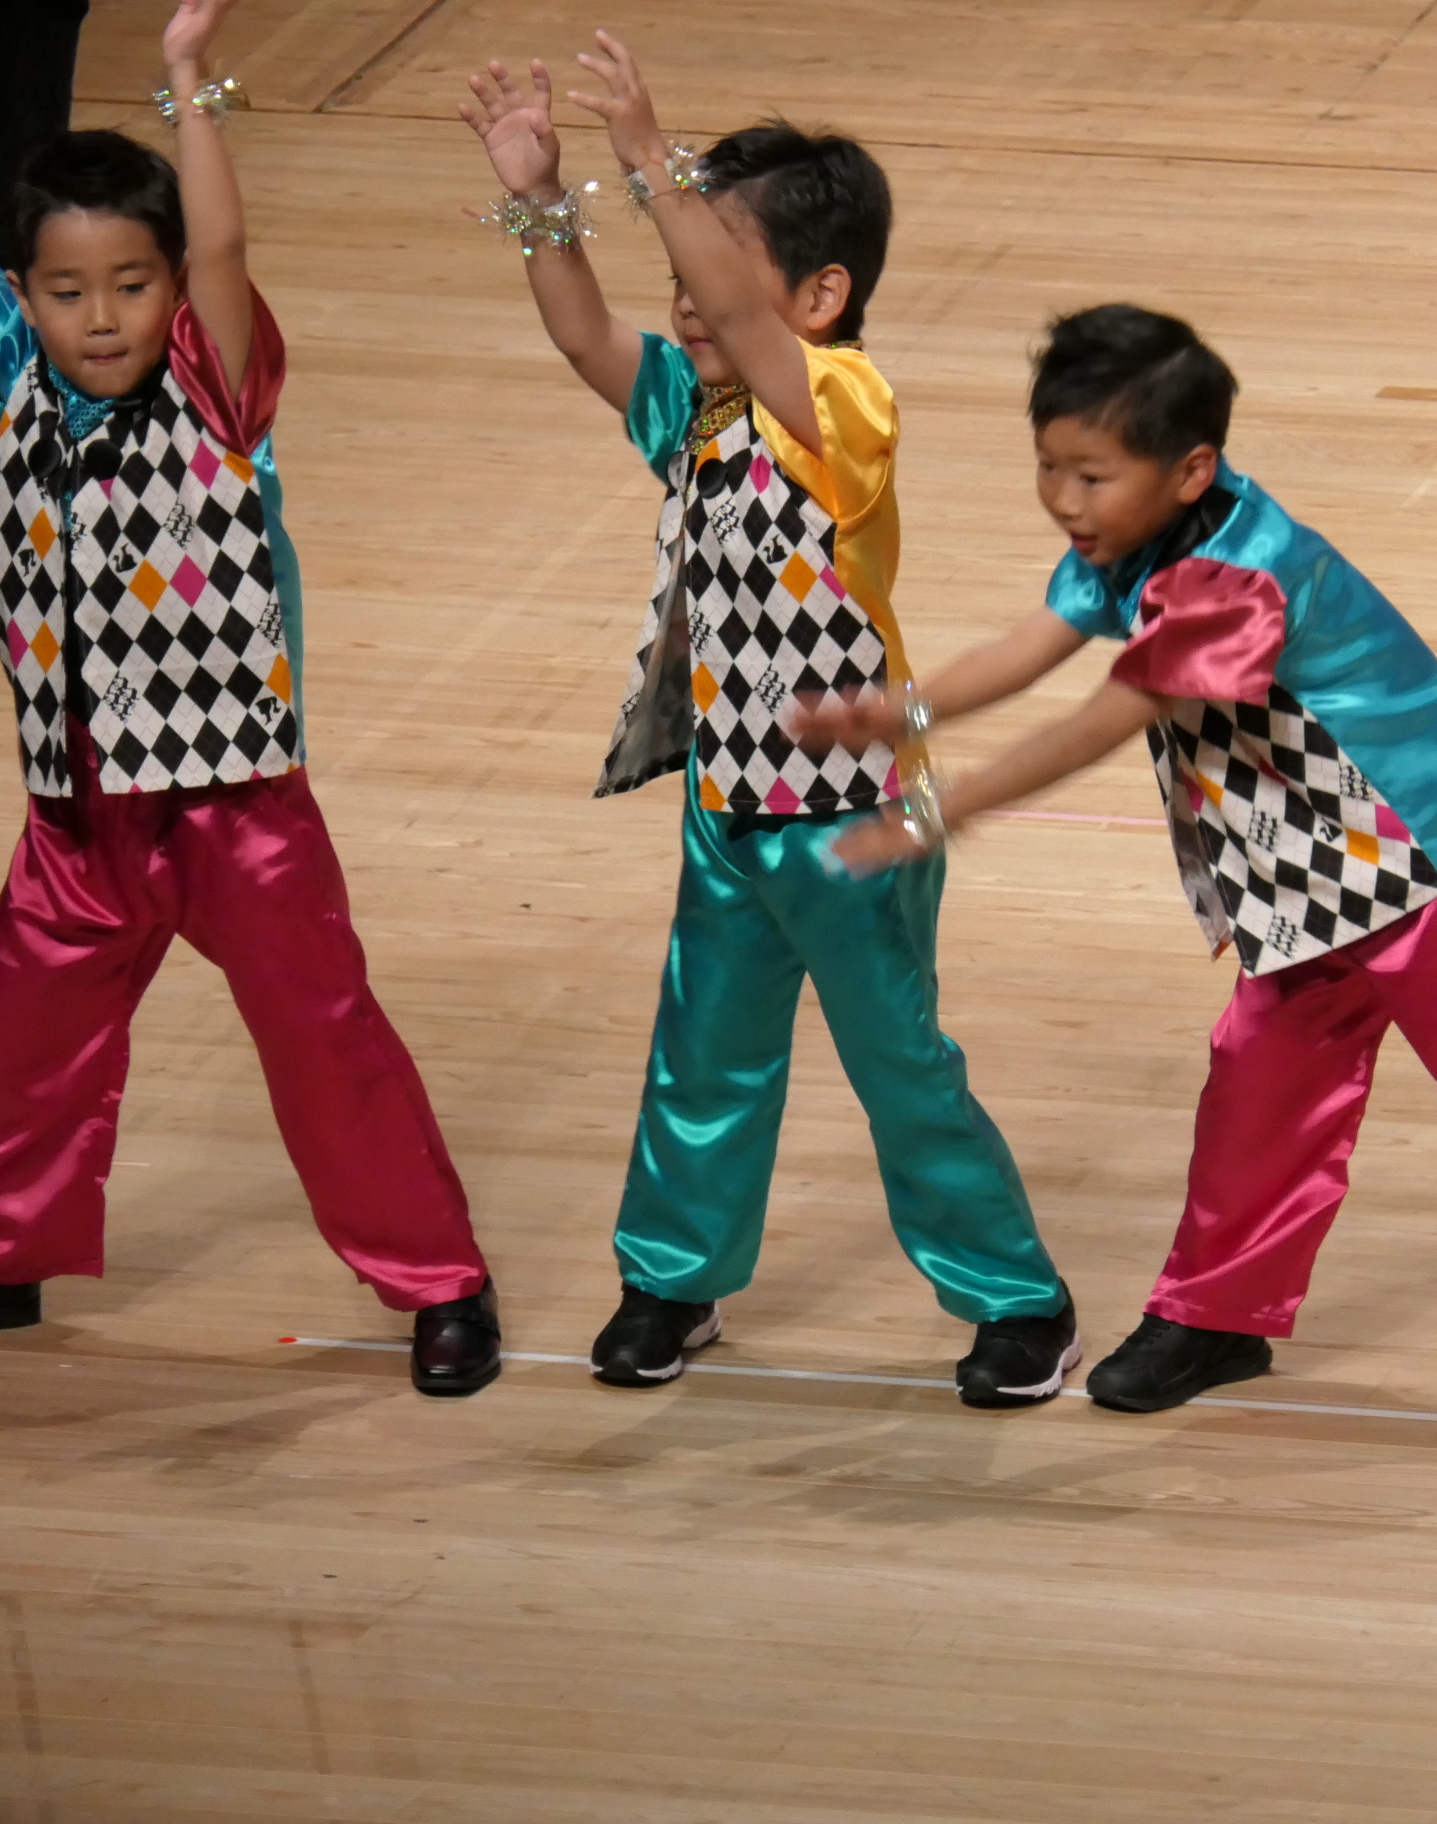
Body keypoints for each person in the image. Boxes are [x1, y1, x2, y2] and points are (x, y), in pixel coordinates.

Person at [796, 305, 1437, 1466]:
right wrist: (902, 711)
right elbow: (1033, 645)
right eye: (1049, 467)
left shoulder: (1236, 576)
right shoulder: (1136, 533)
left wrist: (942, 810)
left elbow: (1104, 718)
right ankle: (1218, 1314)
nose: (1065, 500)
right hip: (1305, 875)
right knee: (1257, 1094)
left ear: (1190, 468)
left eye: (1092, 475)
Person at [0, 0, 502, 1397]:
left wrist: (188, 82)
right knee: (14, 1037)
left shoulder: (217, 383)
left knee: (324, 1040)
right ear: (28, 297)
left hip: (233, 805)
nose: (102, 316)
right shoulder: (3, 379)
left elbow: (229, 247)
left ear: (173, 284)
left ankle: (440, 1281)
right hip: (78, 808)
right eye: (68, 291)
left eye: (133, 284)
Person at [455, 35, 1078, 1405]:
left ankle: (1018, 1298)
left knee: (899, 1063)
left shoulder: (841, 405)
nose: (688, 298)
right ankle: (673, 1280)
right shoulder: (701, 411)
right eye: (681, 273)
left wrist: (648, 159)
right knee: (703, 1056)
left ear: (821, 292)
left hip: (855, 816)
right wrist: (541, 200)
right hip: (728, 803)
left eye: (715, 268)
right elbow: (583, 333)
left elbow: (745, 324)